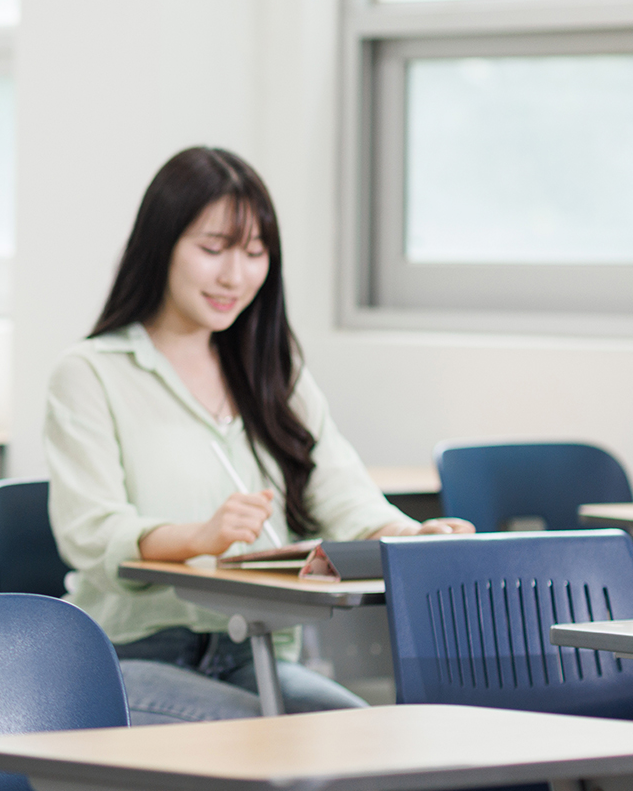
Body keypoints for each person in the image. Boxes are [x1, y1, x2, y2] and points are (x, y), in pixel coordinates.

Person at [44, 146, 473, 725]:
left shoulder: (275, 373)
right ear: (161, 246)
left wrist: (409, 533)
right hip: (128, 660)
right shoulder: (91, 372)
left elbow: (341, 493)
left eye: (254, 252)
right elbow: (92, 534)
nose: (235, 276)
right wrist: (199, 536)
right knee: (275, 741)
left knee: (375, 736)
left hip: (259, 654)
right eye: (213, 249)